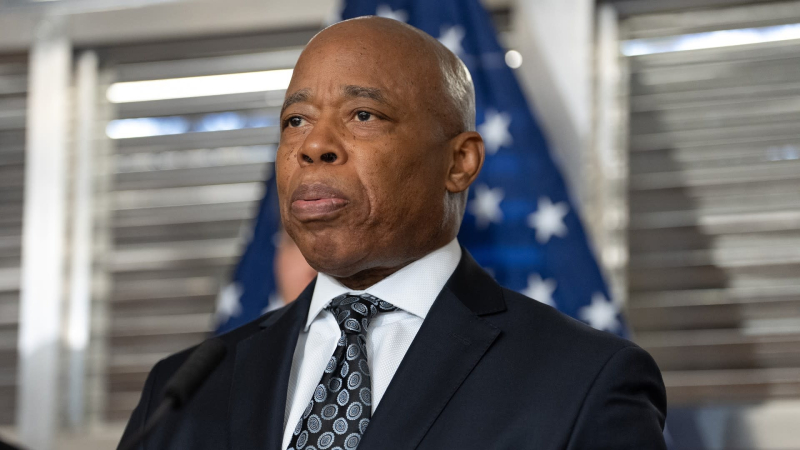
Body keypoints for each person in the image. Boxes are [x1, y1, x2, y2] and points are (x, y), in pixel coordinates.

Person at [120, 17, 667, 450]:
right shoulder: (181, 389)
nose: (314, 145)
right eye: (296, 121)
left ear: (460, 162)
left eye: (363, 115)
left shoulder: (585, 381)